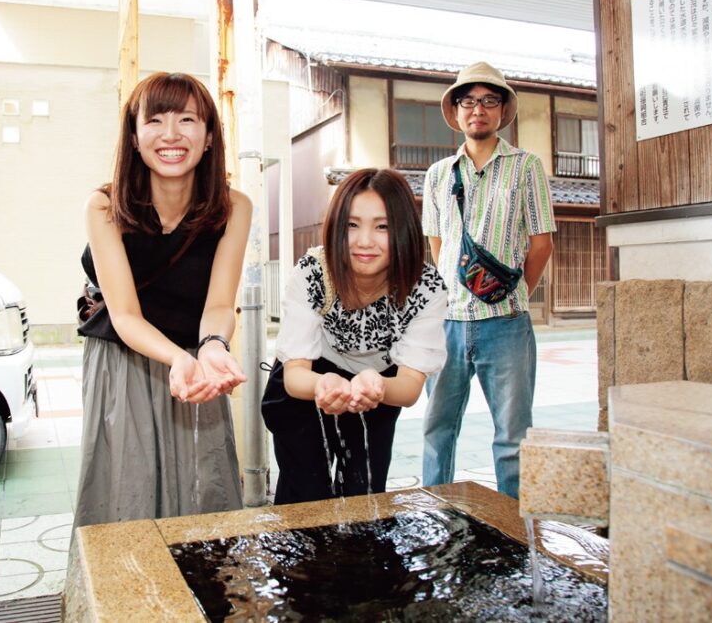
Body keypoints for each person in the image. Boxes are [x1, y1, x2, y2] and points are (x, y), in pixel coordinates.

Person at [74, 72, 251, 529]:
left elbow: (218, 305)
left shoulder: (235, 207)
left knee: (204, 482)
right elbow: (126, 315)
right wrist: (178, 359)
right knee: (126, 489)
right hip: (124, 360)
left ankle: (207, 594)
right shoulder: (104, 206)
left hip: (196, 361)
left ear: (209, 136)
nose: (171, 135)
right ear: (134, 137)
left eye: (188, 119)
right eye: (154, 120)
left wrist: (213, 347)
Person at [262, 169, 447, 505]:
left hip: (378, 387)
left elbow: (408, 388)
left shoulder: (426, 287)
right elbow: (294, 376)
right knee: (305, 491)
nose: (365, 241)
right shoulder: (313, 271)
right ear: (336, 227)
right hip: (310, 380)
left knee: (364, 494)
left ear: (403, 229)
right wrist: (324, 384)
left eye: (382, 226)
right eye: (352, 225)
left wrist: (374, 385)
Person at [421, 61, 556, 499]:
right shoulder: (439, 174)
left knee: (513, 436)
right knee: (437, 429)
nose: (478, 109)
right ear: (457, 112)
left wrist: (512, 294)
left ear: (501, 111)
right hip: (448, 325)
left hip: (507, 324)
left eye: (489, 100)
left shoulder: (526, 167)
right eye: (468, 101)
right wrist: (459, 291)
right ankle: (434, 516)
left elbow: (541, 244)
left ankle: (516, 531)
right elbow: (437, 243)